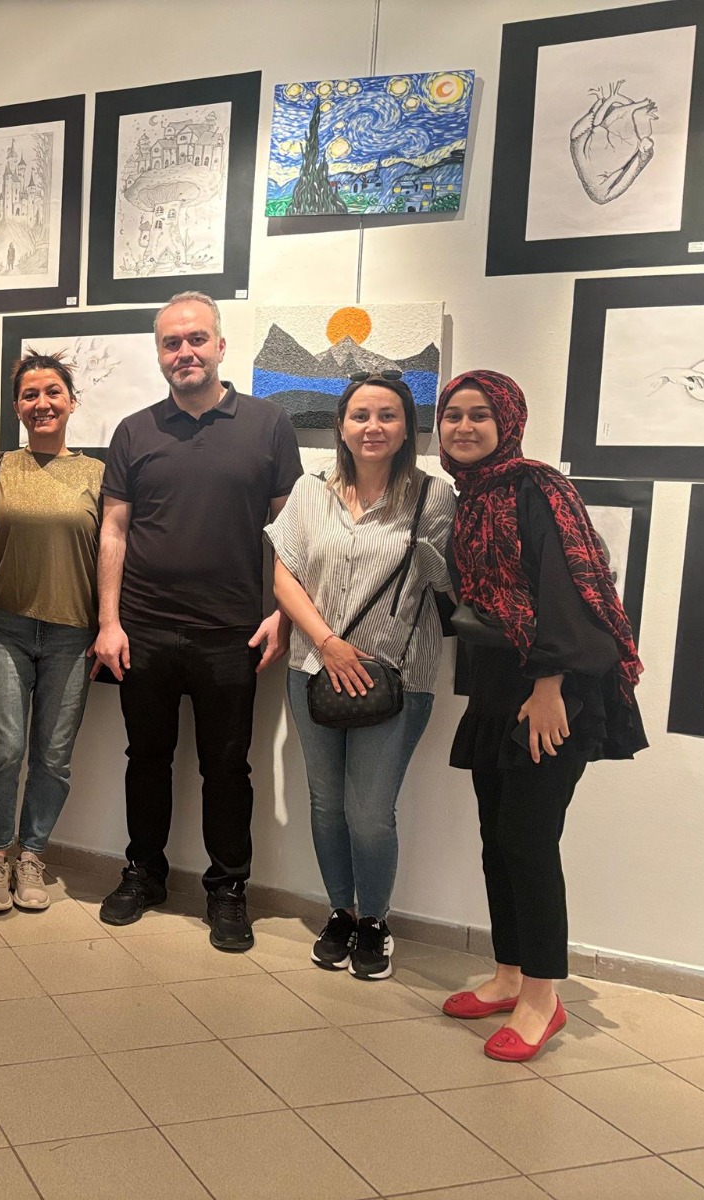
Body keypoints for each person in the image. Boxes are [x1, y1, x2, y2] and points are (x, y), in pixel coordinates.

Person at [435, 370, 645, 1062]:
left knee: (528, 840)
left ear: (508, 421)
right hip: (499, 691)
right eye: (452, 415)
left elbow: (568, 585)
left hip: (553, 693)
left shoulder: (536, 487)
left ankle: (542, 998)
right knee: (498, 840)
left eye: (479, 415)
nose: (464, 427)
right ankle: (508, 974)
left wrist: (550, 683)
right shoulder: (472, 496)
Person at [92, 291, 301, 950]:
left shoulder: (268, 425)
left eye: (196, 339)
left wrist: (283, 614)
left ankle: (228, 889)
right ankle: (144, 873)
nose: (184, 352)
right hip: (144, 629)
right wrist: (108, 622)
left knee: (227, 768)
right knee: (146, 759)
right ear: (160, 353)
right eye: (171, 343)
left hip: (231, 632)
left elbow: (289, 534)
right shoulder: (134, 431)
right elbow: (114, 531)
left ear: (220, 346)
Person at [267, 374, 455, 979]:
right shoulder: (310, 489)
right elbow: (284, 576)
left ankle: (375, 920)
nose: (373, 427)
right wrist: (327, 644)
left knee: (370, 812)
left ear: (407, 428)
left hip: (396, 676)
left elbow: (445, 585)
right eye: (360, 415)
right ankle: (341, 912)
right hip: (314, 669)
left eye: (387, 415)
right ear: (342, 426)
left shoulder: (433, 497)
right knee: (326, 804)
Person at [0, 353, 103, 915]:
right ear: (17, 407)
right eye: (30, 394)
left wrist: (111, 625)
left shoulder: (98, 475)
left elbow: (114, 555)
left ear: (72, 402)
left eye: (53, 392)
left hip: (73, 634)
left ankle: (32, 855)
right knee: (4, 747)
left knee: (53, 756)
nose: (42, 403)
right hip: (2, 628)